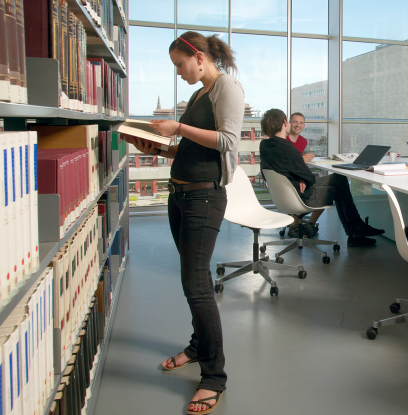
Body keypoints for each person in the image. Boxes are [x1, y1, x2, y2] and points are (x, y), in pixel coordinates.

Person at [122, 31, 244, 414]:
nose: (178, 72)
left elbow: (227, 140)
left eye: (180, 64)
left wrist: (177, 128)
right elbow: (192, 146)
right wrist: (160, 147)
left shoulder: (228, 88)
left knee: (195, 282)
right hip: (180, 194)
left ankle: (214, 377)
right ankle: (198, 345)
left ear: (199, 57)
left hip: (204, 197)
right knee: (194, 278)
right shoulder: (196, 96)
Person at [259, 109, 385, 247]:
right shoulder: (288, 148)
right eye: (290, 121)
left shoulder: (264, 145)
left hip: (284, 195)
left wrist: (301, 177)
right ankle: (355, 229)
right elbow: (309, 177)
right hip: (301, 197)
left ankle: (355, 230)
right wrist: (304, 177)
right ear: (284, 123)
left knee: (338, 178)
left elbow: (277, 170)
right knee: (338, 184)